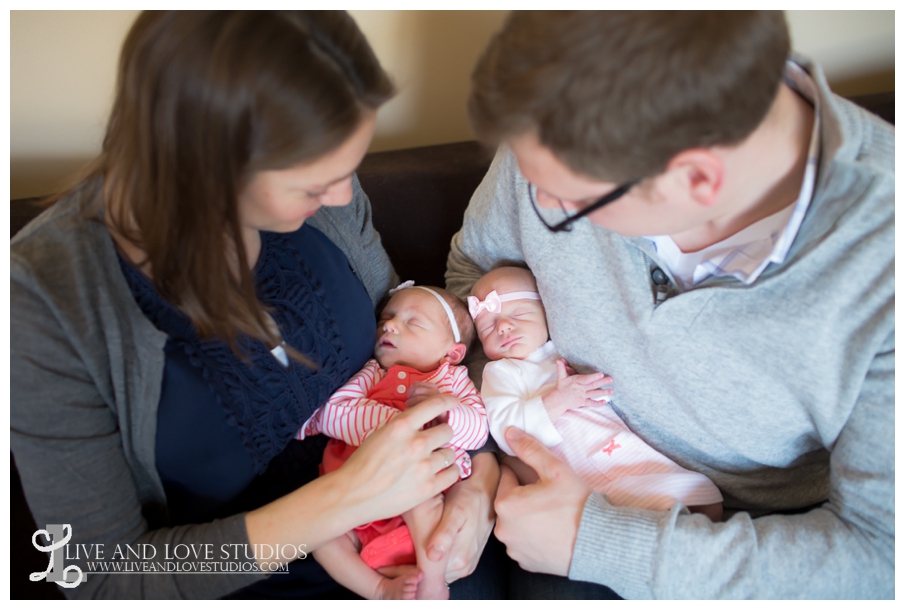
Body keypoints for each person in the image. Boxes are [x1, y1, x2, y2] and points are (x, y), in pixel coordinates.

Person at [11, 11, 500, 599]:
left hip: (419, 530)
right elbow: (98, 577)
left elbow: (428, 348)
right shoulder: (42, 304)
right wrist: (346, 498)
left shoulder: (330, 208)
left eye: (349, 169)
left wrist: (476, 491)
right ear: (206, 164)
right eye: (314, 183)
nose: (343, 196)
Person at [446, 11, 893, 599]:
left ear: (699, 181)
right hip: (539, 463)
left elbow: (882, 556)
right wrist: (496, 442)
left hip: (731, 544)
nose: (540, 204)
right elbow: (473, 271)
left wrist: (599, 541)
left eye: (570, 201)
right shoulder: (567, 127)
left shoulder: (882, 271)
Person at [470, 266, 723, 520]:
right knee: (640, 507)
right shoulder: (501, 371)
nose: (503, 327)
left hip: (619, 448)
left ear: (546, 311)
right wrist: (559, 400)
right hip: (583, 471)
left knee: (701, 495)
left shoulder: (562, 347)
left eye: (519, 314)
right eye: (487, 328)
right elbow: (507, 431)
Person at [300, 282, 488, 599]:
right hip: (353, 502)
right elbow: (332, 413)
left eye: (412, 322)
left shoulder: (452, 382)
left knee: (421, 494)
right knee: (315, 533)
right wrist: (399, 423)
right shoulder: (372, 372)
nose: (389, 325)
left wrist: (444, 413)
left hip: (419, 510)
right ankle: (378, 589)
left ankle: (432, 579)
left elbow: (480, 429)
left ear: (452, 352)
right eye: (386, 317)